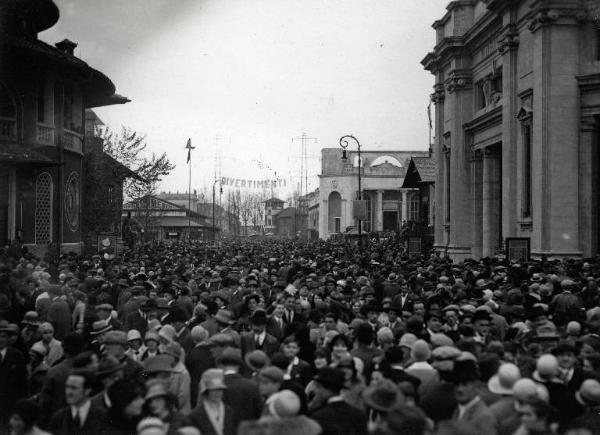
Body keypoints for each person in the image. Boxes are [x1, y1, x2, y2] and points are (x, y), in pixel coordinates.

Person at [309, 367, 368, 435]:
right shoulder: (359, 415)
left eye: (318, 387)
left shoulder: (319, 417)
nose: (315, 391)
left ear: (326, 388)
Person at [47, 369, 106, 435]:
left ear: (87, 391)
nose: (68, 392)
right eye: (67, 387)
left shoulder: (102, 417)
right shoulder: (58, 418)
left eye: (74, 388)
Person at [188, 368, 238, 435]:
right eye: (214, 390)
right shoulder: (196, 415)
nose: (218, 393)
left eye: (220, 389)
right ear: (206, 391)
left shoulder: (229, 411)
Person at [0, 320, 29, 431]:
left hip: (10, 405)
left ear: (8, 339)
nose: (0, 339)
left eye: (3, 336)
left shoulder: (17, 355)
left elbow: (23, 382)